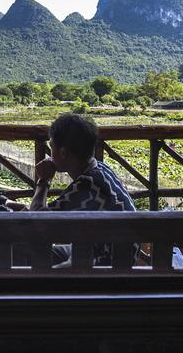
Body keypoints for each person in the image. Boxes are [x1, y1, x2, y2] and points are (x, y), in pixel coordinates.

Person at [29, 113, 135, 266]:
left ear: (63, 153)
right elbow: (48, 212)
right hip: (112, 253)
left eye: (52, 147)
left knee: (37, 265)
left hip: (108, 265)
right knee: (36, 253)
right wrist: (24, 208)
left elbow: (37, 221)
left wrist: (44, 180)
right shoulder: (100, 169)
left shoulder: (87, 183)